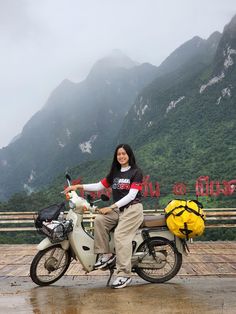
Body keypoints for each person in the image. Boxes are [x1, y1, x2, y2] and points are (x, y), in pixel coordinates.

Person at [64, 143, 143, 289]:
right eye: (118, 154)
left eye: (124, 153)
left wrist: (111, 207)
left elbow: (132, 196)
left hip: (132, 209)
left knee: (120, 235)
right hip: (119, 210)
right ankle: (106, 254)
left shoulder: (136, 172)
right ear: (116, 156)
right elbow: (99, 186)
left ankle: (124, 275)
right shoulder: (115, 173)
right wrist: (78, 186)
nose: (121, 156)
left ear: (129, 155)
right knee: (99, 220)